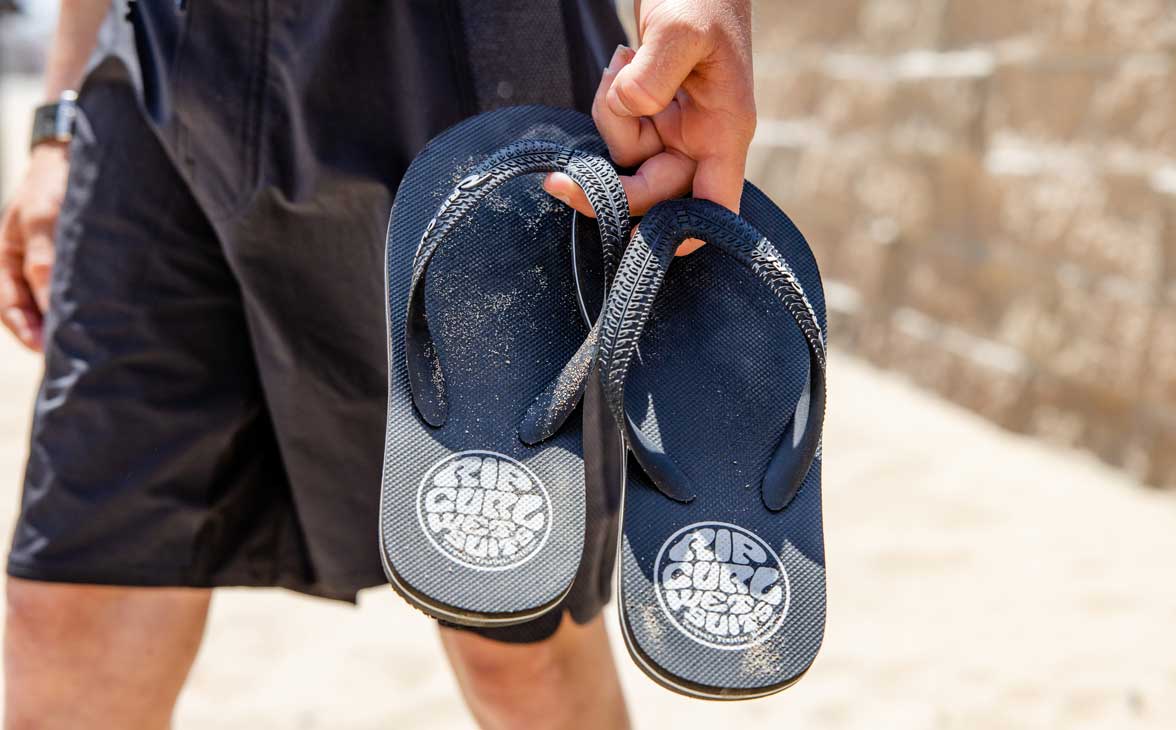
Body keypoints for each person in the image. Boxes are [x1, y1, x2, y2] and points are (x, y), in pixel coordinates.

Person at [0, 1, 755, 728]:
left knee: (513, 628)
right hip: (159, 62)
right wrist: (61, 121)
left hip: (464, 46)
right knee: (73, 600)